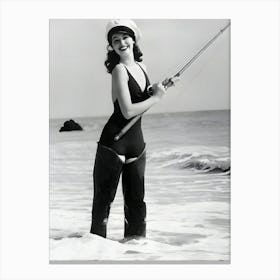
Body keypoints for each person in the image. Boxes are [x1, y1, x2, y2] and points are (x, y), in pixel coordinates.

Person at [90, 19, 176, 239]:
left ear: (134, 39)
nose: (121, 43)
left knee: (137, 203)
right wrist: (156, 98)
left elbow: (143, 95)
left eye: (125, 37)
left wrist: (159, 87)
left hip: (136, 143)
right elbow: (128, 110)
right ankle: (94, 253)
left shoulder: (142, 67)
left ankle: (136, 254)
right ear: (111, 46)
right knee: (103, 203)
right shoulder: (119, 70)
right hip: (114, 141)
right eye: (115, 40)